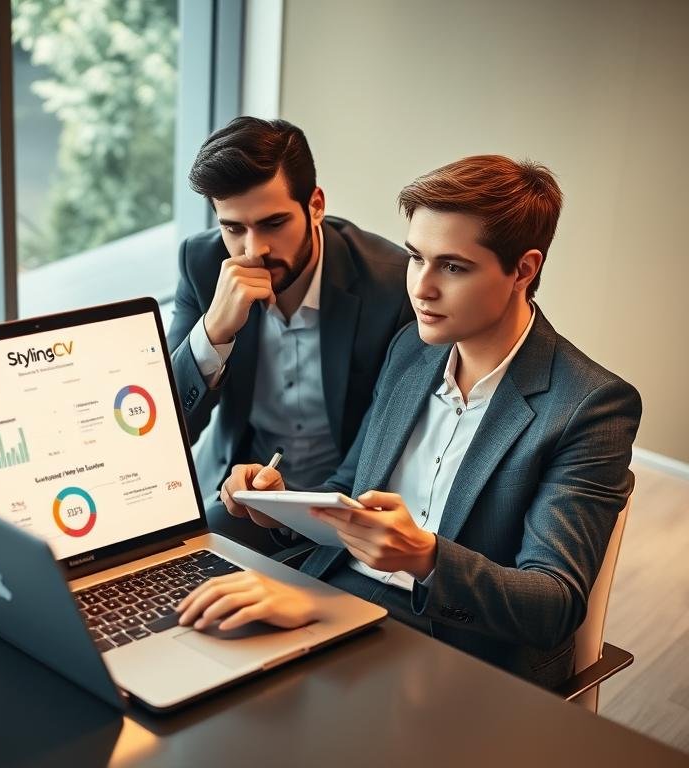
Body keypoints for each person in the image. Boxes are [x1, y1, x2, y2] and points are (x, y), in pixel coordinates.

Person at [176, 155, 642, 688]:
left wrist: (427, 557)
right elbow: (348, 489)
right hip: (339, 600)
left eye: (453, 267)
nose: (421, 287)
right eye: (416, 258)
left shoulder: (591, 404)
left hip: (459, 652)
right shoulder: (411, 351)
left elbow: (552, 604)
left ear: (523, 269)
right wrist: (281, 504)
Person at [168, 117, 413, 554]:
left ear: (315, 205)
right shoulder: (202, 265)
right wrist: (213, 333)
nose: (253, 249)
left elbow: (390, 442)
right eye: (233, 228)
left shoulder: (391, 285)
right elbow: (168, 432)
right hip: (235, 499)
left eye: (273, 223)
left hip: (344, 511)